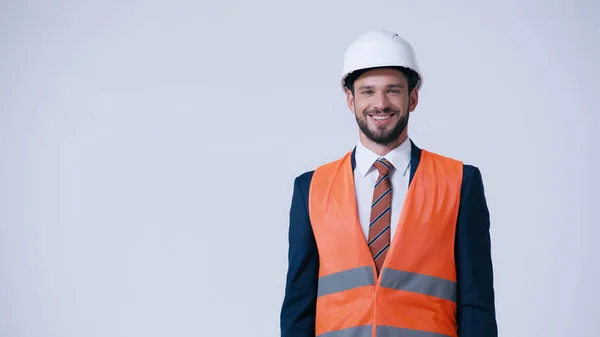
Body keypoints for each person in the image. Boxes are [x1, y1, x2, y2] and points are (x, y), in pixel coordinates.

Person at [280, 29, 498, 337]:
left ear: (413, 97)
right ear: (350, 99)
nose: (380, 103)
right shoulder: (312, 188)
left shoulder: (460, 182)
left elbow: (477, 304)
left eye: (392, 90)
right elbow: (298, 306)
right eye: (367, 91)